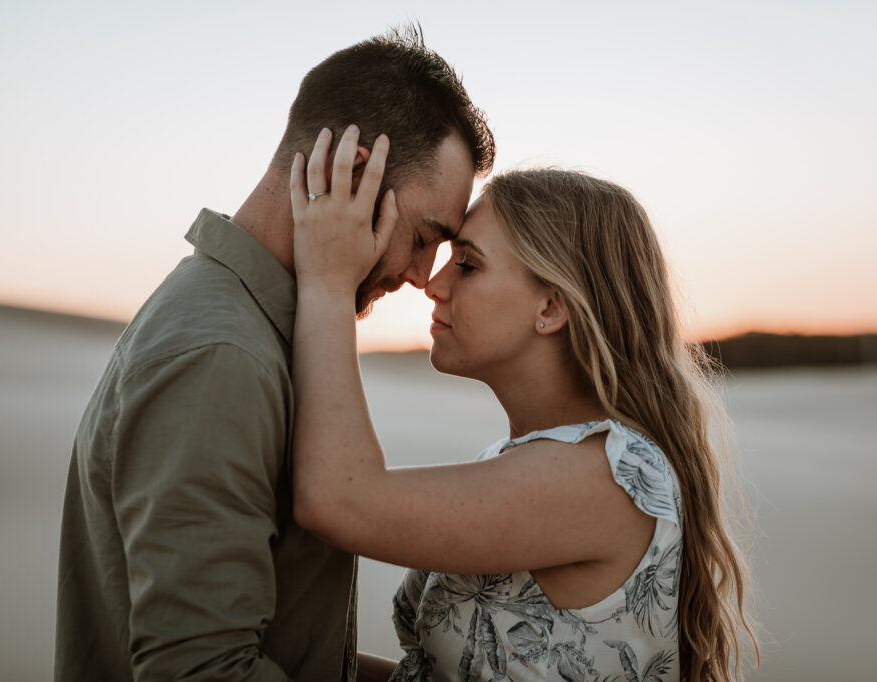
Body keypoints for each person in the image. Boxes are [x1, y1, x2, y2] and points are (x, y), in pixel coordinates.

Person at [55, 27, 494, 681]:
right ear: (351, 174)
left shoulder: (255, 330)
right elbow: (203, 669)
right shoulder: (221, 357)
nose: (419, 275)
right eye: (424, 236)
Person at [287, 128, 759, 681]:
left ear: (551, 307)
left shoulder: (606, 475)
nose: (433, 284)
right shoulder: (527, 463)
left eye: (468, 264)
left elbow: (340, 500)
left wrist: (328, 280)